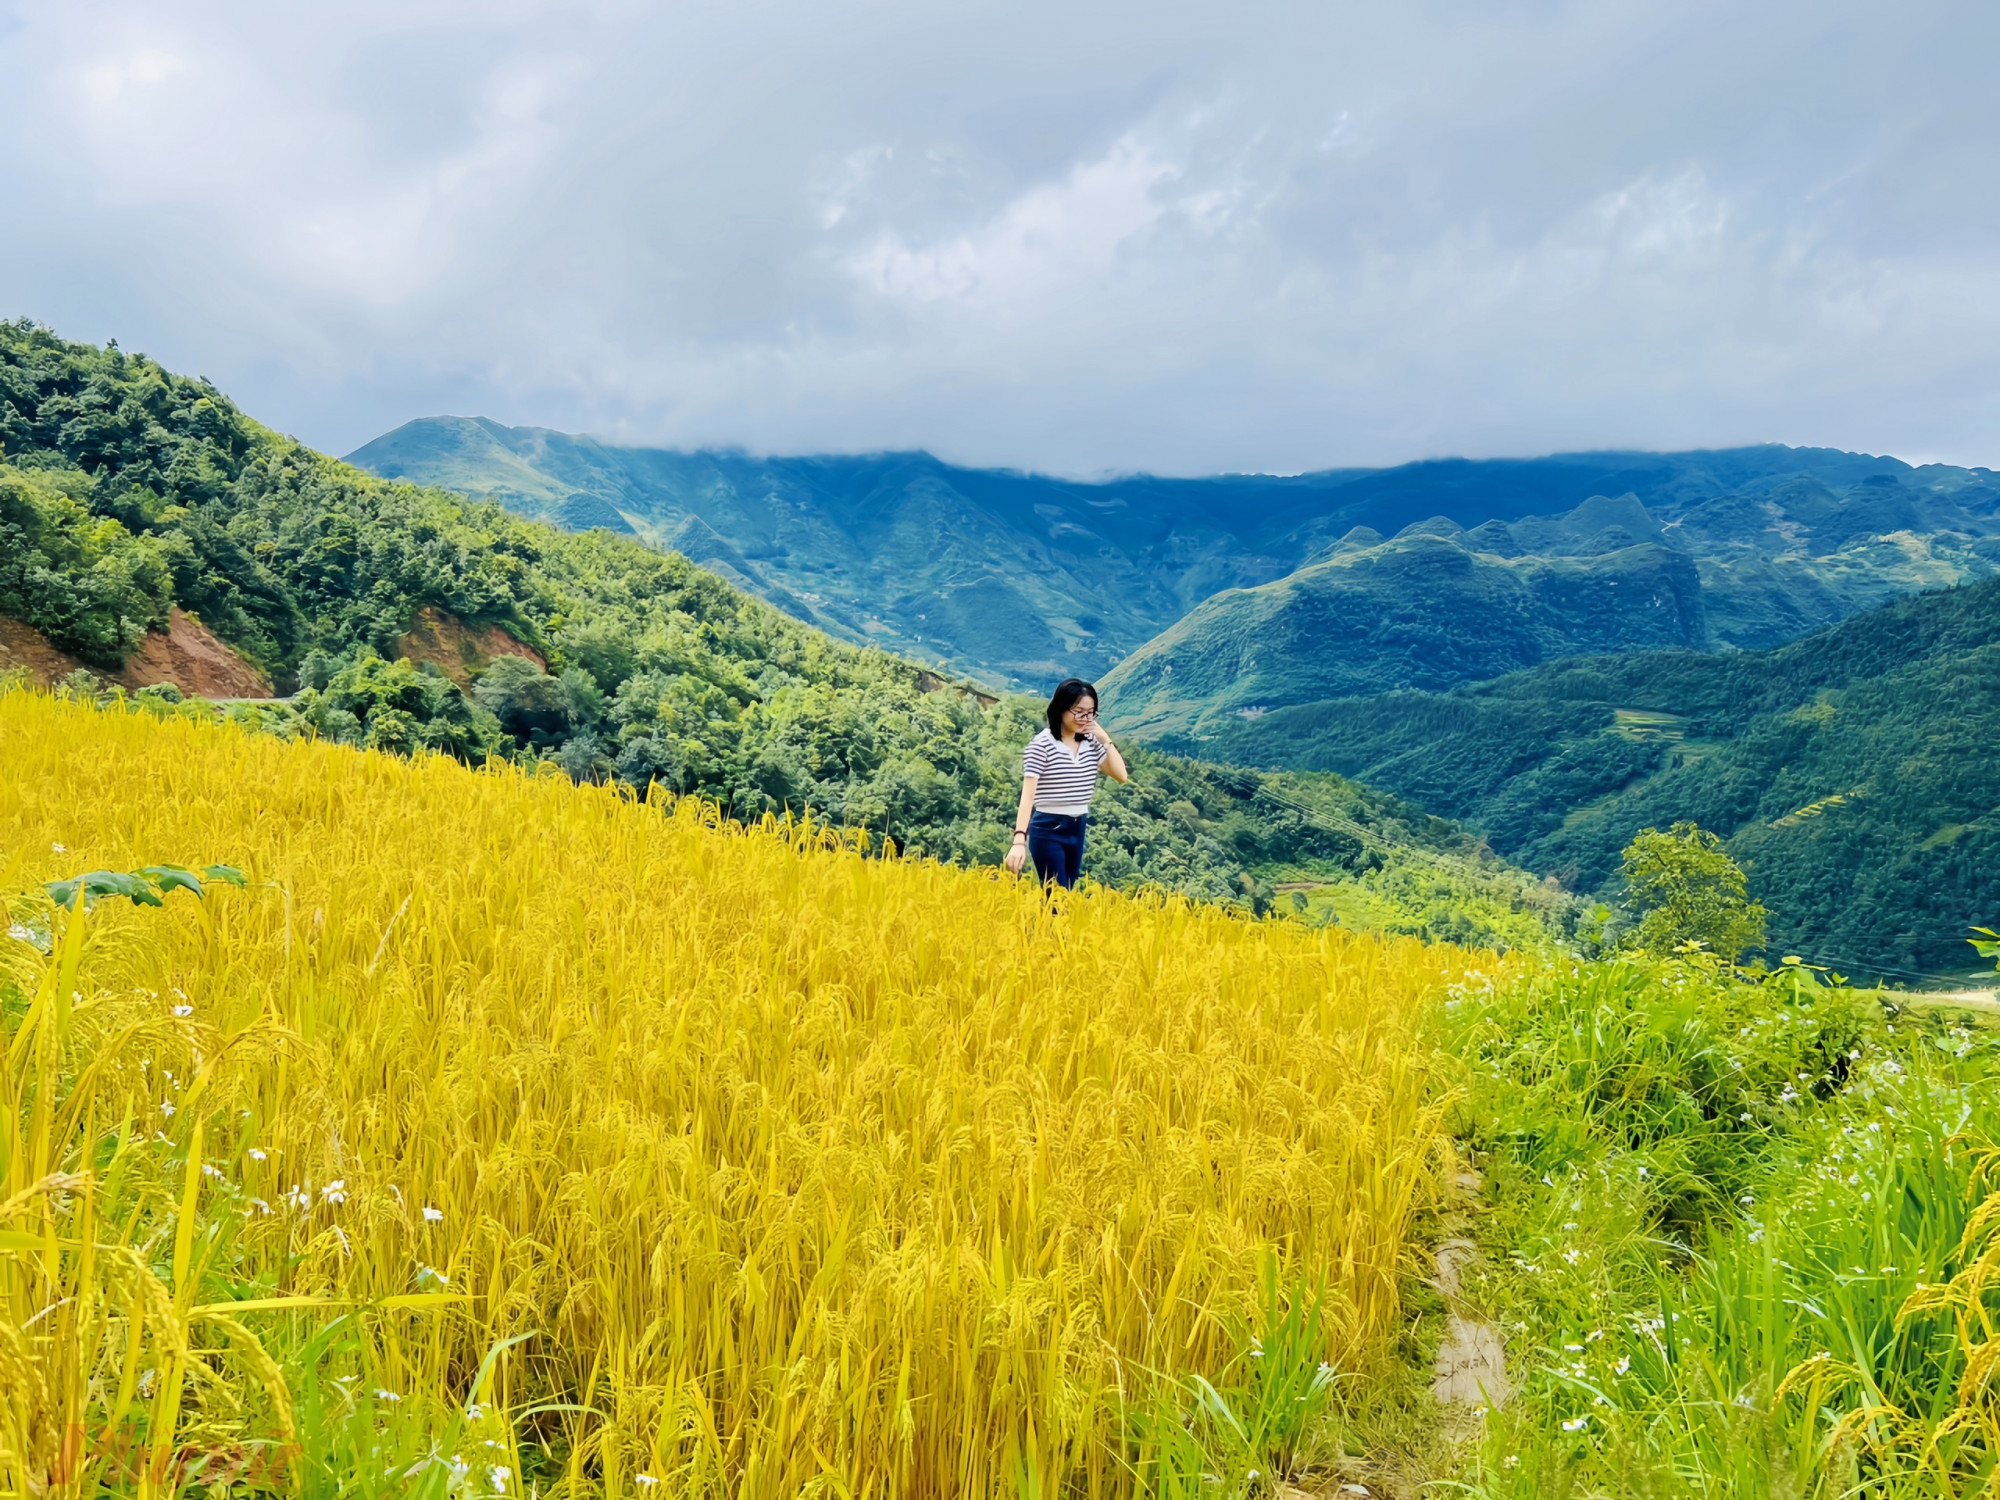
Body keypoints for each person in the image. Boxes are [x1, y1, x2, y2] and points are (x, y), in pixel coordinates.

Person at [1003, 678, 1129, 888]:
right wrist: (1019, 840)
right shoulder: (1042, 744)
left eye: (1090, 713)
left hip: (1077, 827)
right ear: (1061, 708)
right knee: (1057, 895)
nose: (1084, 719)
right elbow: (1028, 795)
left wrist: (1104, 738)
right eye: (1078, 712)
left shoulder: (1090, 742)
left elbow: (1121, 775)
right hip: (1048, 828)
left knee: (1065, 894)